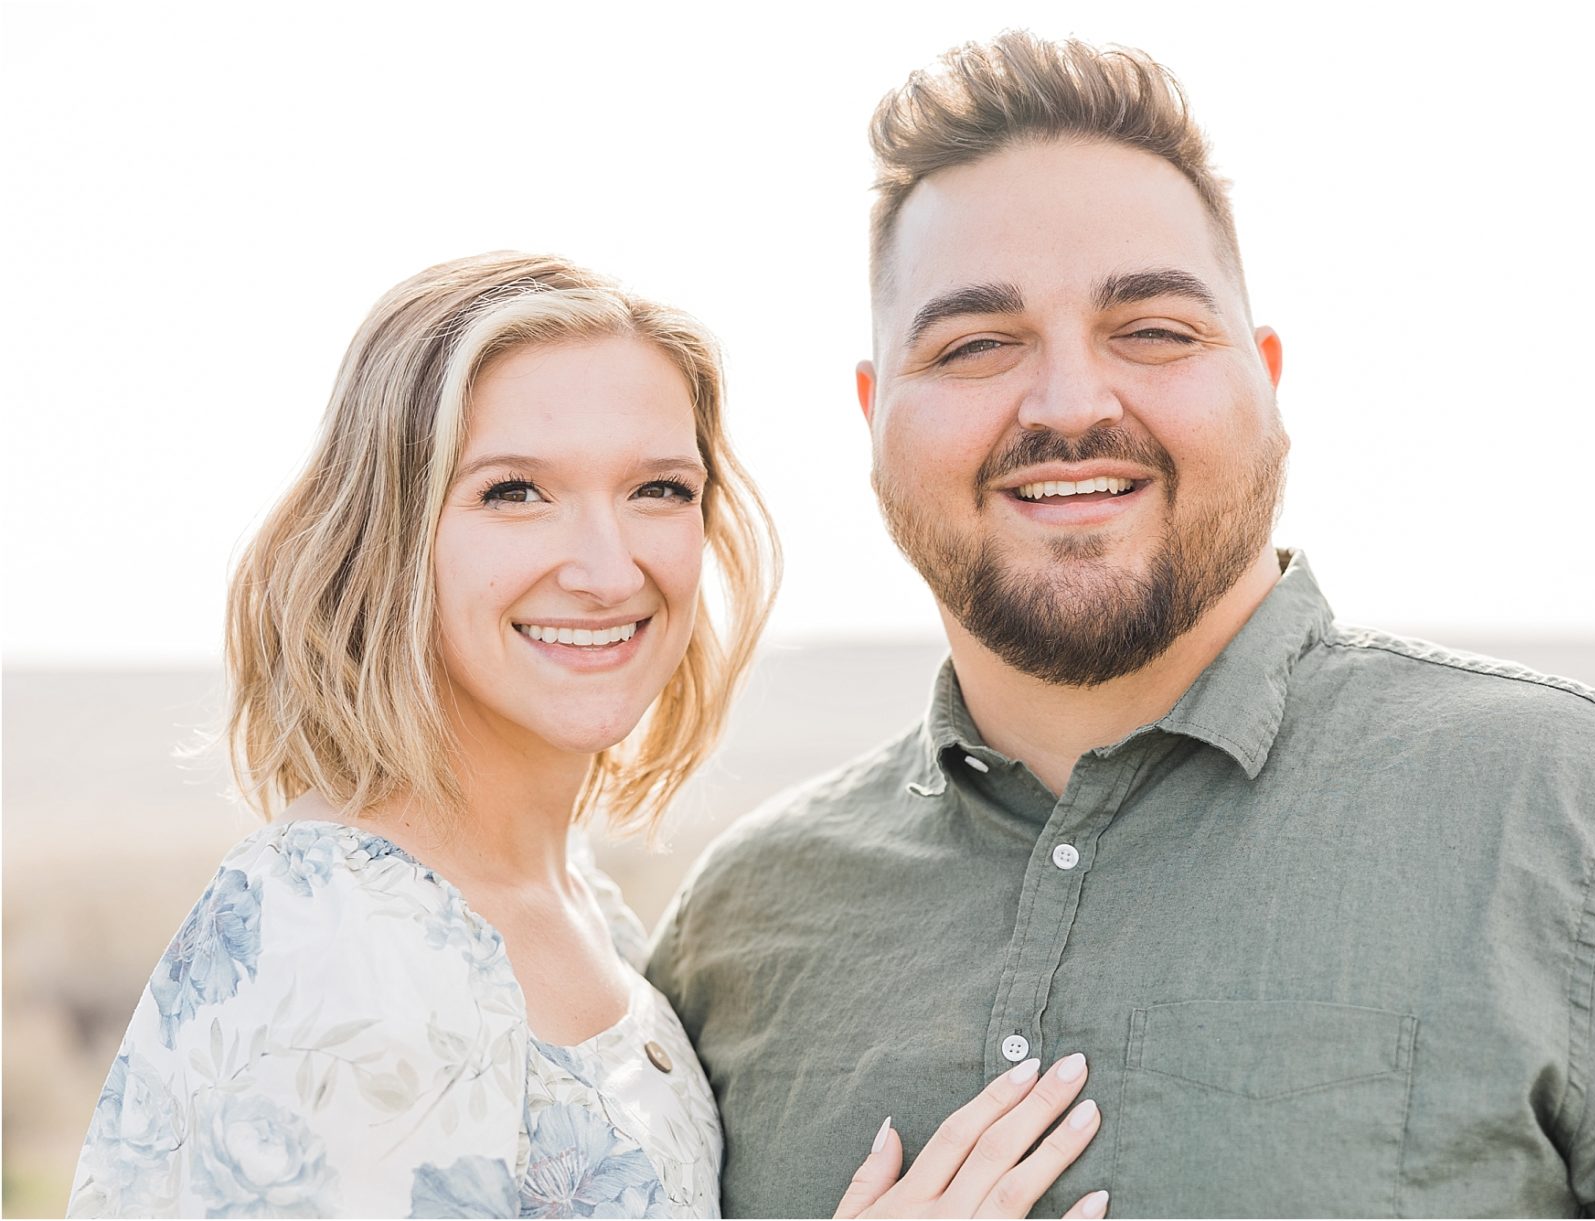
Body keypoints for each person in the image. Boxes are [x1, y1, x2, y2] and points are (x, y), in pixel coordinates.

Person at [644, 31, 1595, 1219]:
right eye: (974, 345)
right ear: (873, 413)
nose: (1068, 404)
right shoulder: (741, 927)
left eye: (1153, 330)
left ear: (1262, 380)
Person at [67, 253, 1108, 1219]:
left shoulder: (576, 910)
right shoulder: (339, 951)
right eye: (514, 492)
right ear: (385, 532)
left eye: (659, 489)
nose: (608, 571)